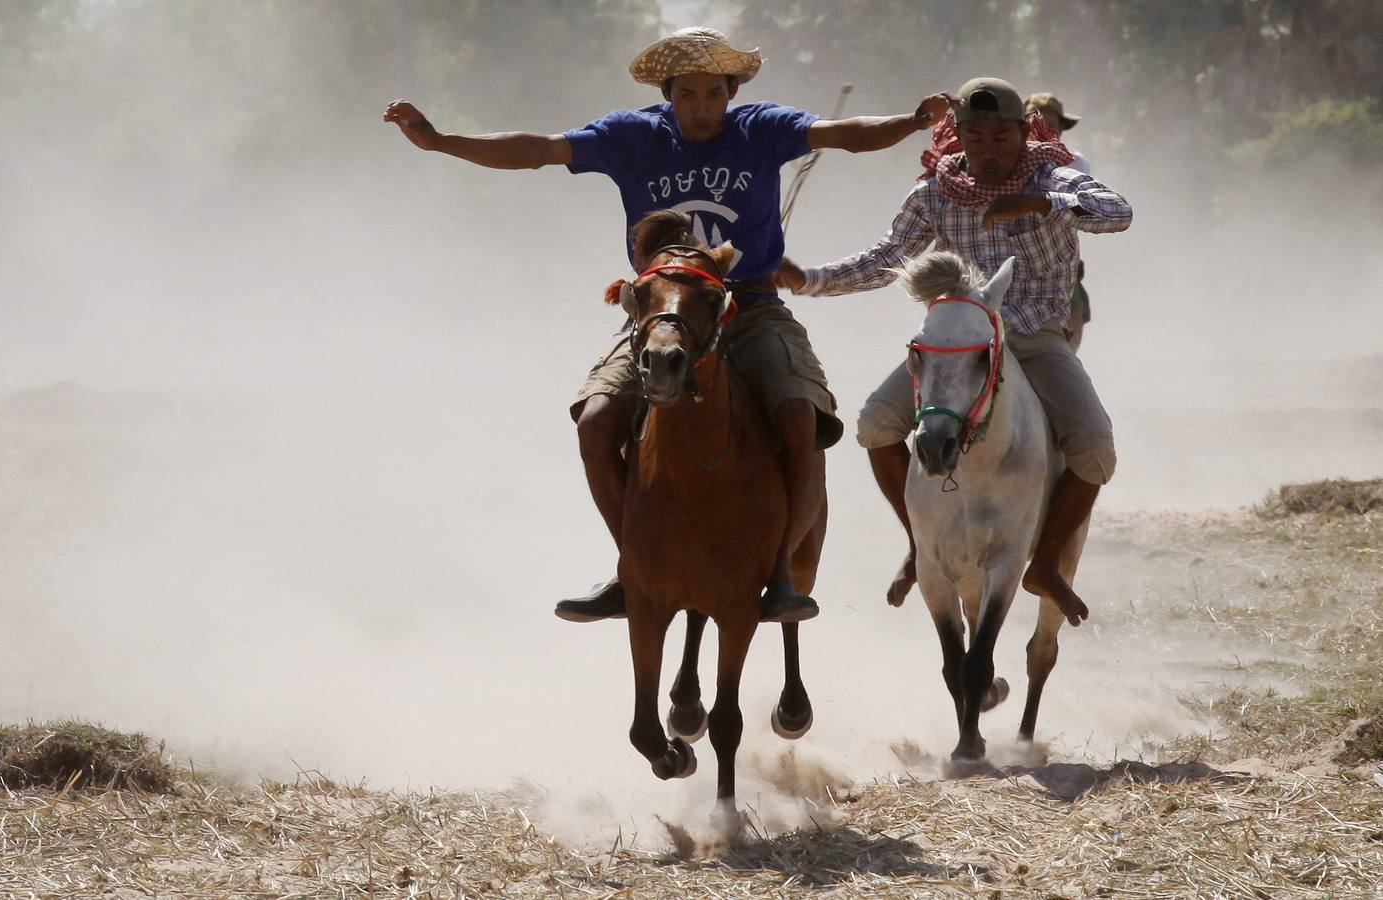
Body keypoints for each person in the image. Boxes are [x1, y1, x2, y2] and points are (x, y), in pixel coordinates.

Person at [384, 27, 950, 624]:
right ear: (667, 92)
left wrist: (912, 121)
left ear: (732, 90)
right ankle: (632, 569)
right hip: (661, 315)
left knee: (799, 414)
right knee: (597, 421)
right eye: (687, 95)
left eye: (712, 94)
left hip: (749, 305)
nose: (701, 108)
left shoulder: (760, 127)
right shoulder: (631, 137)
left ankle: (781, 570)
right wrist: (441, 141)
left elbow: (844, 136)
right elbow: (539, 149)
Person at [775, 77, 1132, 625]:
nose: (989, 149)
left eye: (1001, 137)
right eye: (976, 137)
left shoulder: (1052, 174)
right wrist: (809, 279)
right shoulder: (935, 192)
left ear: (1023, 132)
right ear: (958, 136)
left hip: (1035, 337)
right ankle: (920, 547)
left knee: (1095, 449)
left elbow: (1117, 212)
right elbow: (888, 257)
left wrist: (1042, 202)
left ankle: (1046, 565)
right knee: (875, 426)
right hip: (957, 342)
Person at [1026, 92, 1093, 348]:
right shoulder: (1009, 160)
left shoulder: (1075, 162)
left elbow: (1083, 206)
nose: (1044, 132)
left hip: (1059, 256)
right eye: (1036, 125)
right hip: (1011, 254)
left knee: (1073, 309)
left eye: (1051, 127)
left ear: (1061, 130)